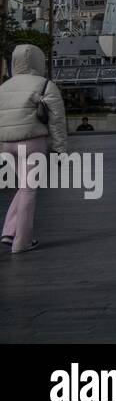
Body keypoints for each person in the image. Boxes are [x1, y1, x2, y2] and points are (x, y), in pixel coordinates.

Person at [0, 45, 67, 253]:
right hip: (32, 141)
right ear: (40, 61)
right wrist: (60, 149)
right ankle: (22, 241)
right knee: (29, 189)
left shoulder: (4, 86)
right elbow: (56, 121)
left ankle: (9, 231)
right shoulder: (45, 85)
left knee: (23, 186)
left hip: (6, 143)